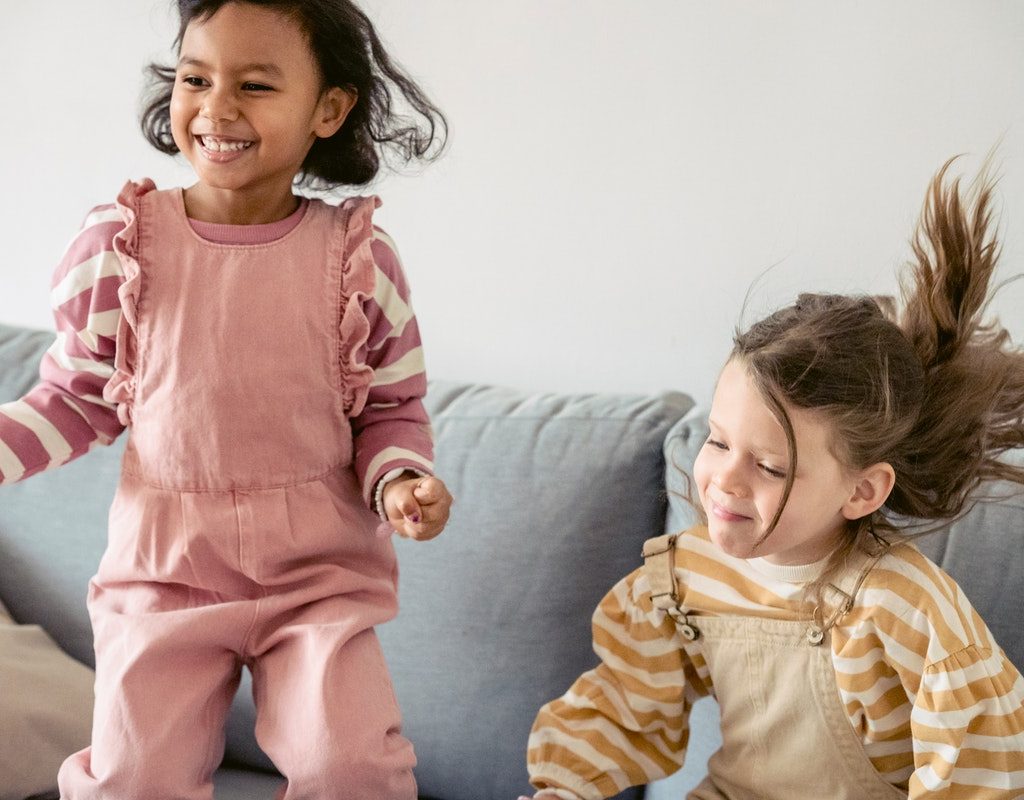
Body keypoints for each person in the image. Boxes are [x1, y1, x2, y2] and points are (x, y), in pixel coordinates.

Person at [0, 1, 453, 798]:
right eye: (196, 79)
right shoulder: (123, 248)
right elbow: (77, 396)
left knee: (349, 766)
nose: (217, 107)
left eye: (255, 85)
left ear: (329, 109)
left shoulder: (358, 259)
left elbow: (390, 408)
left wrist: (401, 479)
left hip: (318, 576)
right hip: (163, 571)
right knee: (134, 778)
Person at [519, 160, 1024, 800]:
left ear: (862, 491)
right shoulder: (687, 575)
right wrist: (565, 788)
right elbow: (625, 702)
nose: (724, 481)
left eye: (769, 466)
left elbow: (978, 764)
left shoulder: (905, 605)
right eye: (717, 441)